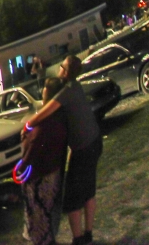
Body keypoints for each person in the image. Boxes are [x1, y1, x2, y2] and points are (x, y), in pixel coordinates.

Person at [25, 55, 102, 245]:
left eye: (61, 66)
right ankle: (88, 233)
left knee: (73, 199)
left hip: (83, 148)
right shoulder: (76, 86)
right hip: (95, 142)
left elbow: (46, 110)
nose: (59, 69)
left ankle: (78, 239)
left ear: (66, 72)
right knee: (88, 191)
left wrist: (27, 125)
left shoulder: (66, 91)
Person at [20, 78, 68, 245]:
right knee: (48, 215)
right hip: (52, 171)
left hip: (40, 177)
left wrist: (23, 166)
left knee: (40, 217)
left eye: (46, 87)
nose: (42, 90)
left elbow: (31, 151)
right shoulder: (61, 117)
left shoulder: (43, 123)